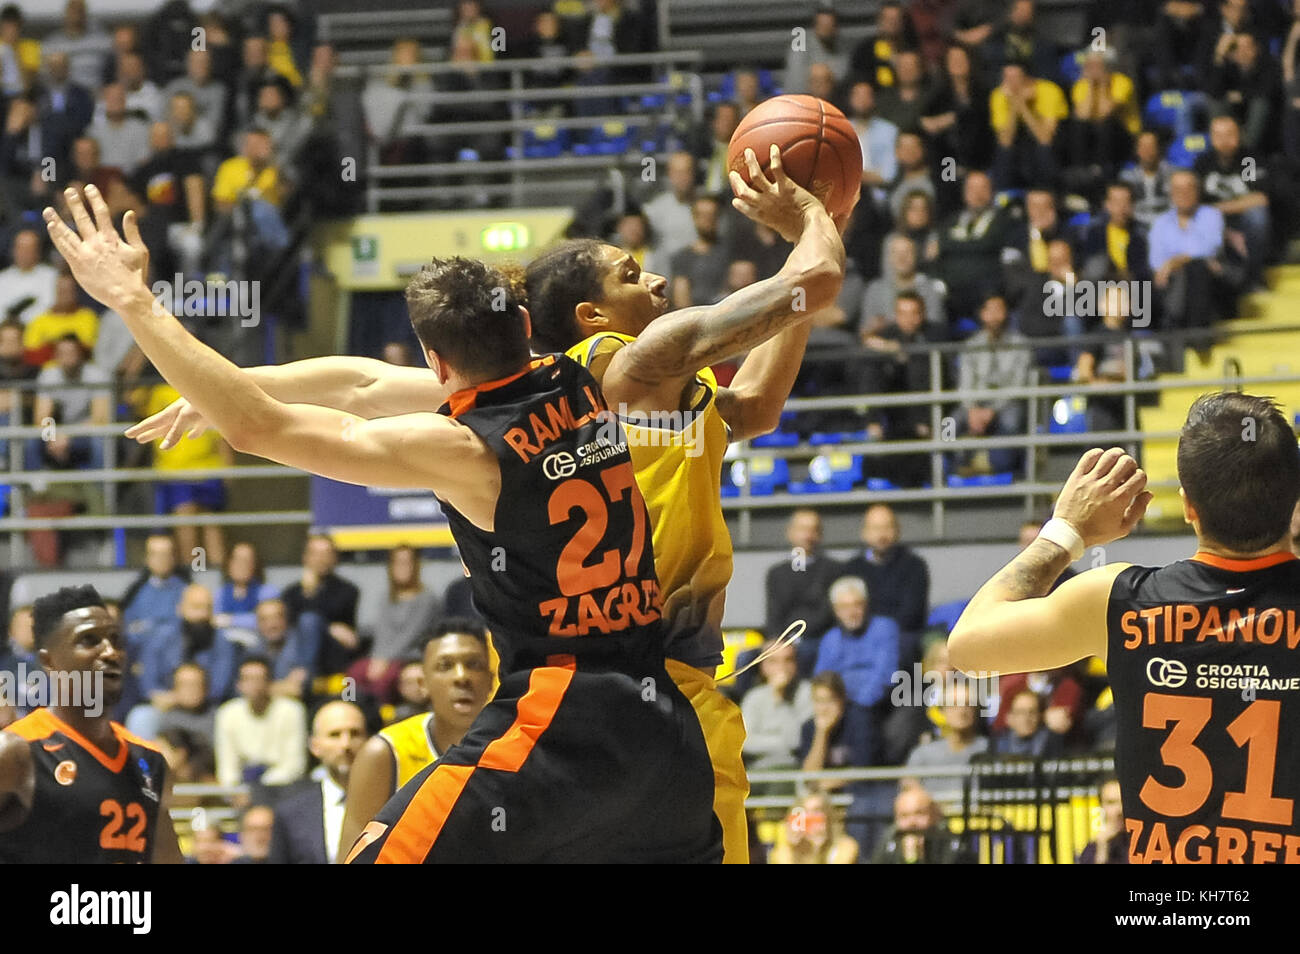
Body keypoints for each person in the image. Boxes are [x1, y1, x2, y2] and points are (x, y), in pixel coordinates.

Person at [55, 185, 720, 863]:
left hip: (559, 719)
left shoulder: (464, 445)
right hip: (668, 739)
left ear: (435, 362)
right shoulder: (583, 376)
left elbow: (270, 423)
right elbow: (358, 385)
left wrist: (136, 302)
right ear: (523, 325)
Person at [949, 393, 1300, 863]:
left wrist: (1065, 533)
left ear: (1188, 507)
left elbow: (968, 646)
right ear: (1293, 499)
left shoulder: (1119, 601)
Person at [0, 584, 184, 863]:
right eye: (89, 640)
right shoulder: (16, 751)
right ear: (49, 661)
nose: (110, 652)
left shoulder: (149, 761)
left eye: (115, 640)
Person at [337, 618, 493, 859]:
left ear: (492, 679)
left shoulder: (516, 751)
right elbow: (352, 856)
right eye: (445, 666)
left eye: (474, 664)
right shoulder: (385, 753)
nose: (462, 677)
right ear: (423, 683)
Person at [268, 700, 366, 864]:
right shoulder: (289, 813)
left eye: (354, 733)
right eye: (334, 735)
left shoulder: (392, 804)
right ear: (315, 746)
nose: (345, 744)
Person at [347, 544, 441, 704]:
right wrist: (377, 659)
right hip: (381, 656)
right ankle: (350, 706)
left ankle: (378, 715)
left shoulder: (427, 598)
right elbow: (382, 634)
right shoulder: (386, 598)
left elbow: (411, 635)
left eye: (407, 562)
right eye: (398, 562)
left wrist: (385, 660)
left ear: (416, 565)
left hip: (411, 657)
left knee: (385, 680)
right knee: (353, 673)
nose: (402, 567)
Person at [214, 656, 308, 788]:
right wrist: (234, 789)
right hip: (242, 787)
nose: (254, 685)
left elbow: (294, 765)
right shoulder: (227, 713)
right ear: (239, 684)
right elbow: (227, 765)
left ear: (270, 682)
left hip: (282, 787)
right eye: (248, 679)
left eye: (259, 679)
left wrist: (260, 790)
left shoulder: (292, 711)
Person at [764, 508, 842, 649]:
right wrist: (777, 642)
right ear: (790, 533)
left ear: (820, 534)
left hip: (820, 641)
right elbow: (773, 615)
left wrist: (799, 639)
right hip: (784, 642)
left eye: (813, 530)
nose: (807, 536)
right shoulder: (777, 573)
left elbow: (827, 614)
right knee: (746, 658)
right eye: (802, 529)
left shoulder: (833, 570)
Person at [871, 783, 969, 864]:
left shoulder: (951, 843)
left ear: (935, 816)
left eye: (919, 814)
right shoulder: (890, 840)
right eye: (904, 816)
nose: (912, 822)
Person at [767, 791, 859, 864]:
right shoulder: (783, 853)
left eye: (816, 811)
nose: (809, 817)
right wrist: (793, 851)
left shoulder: (846, 847)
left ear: (828, 816)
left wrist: (818, 851)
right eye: (805, 812)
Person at [1077, 774, 1127, 863]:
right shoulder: (1093, 849)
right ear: (1102, 807)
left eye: (1124, 801)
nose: (1119, 809)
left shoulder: (1146, 844)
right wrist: (1102, 850)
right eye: (1111, 803)